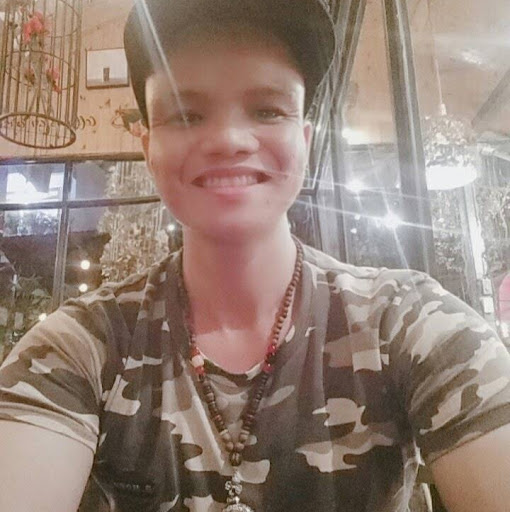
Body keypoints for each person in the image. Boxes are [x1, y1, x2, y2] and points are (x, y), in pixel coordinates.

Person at [1, 0, 510, 510]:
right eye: (185, 114)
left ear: (304, 141)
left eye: (267, 110)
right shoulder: (78, 348)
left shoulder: (408, 324)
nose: (228, 140)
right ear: (148, 148)